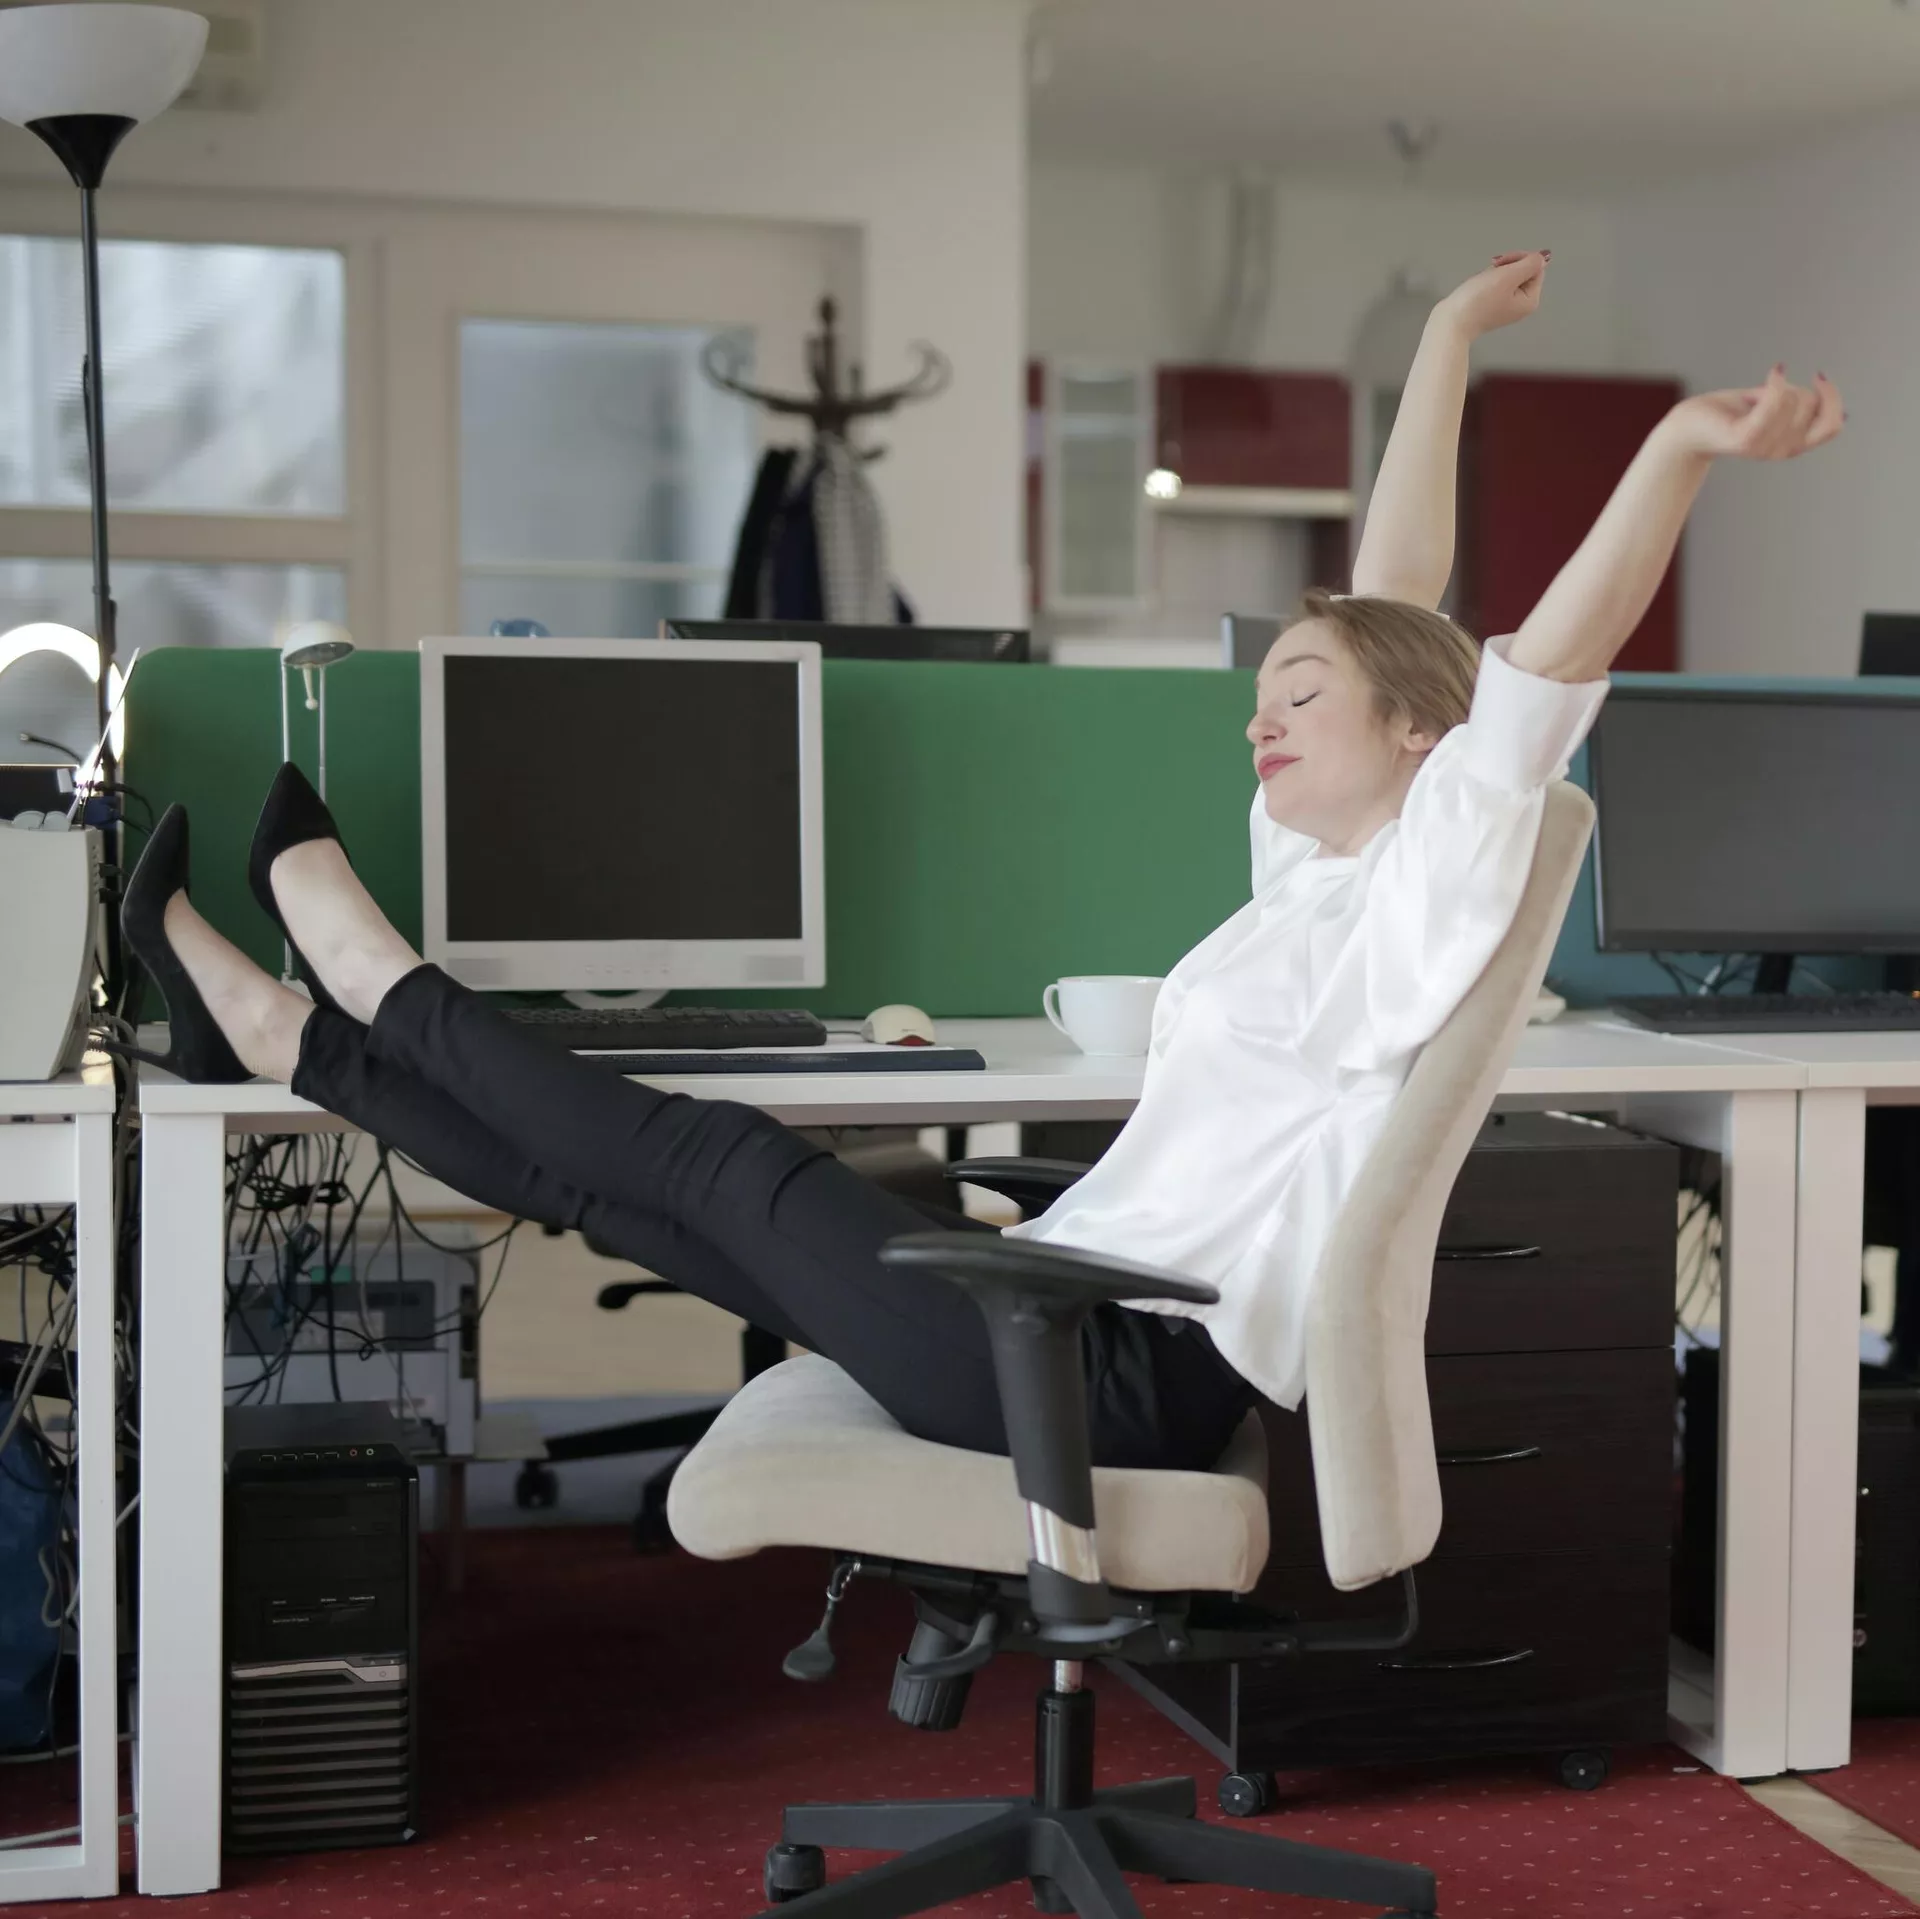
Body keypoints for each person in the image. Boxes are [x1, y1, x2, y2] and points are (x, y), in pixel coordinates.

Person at [118, 251, 1843, 1474]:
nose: (1261, 716)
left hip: (1121, 1370)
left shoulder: (1438, 876)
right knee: (619, 1194)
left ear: (1416, 736)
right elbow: (1389, 592)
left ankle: (375, 977)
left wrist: (1677, 453)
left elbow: (1535, 665)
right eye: (1263, 692)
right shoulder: (1308, 873)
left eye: (1300, 696)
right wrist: (1450, 337)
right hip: (1068, 1300)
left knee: (719, 1153)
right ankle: (299, 1035)